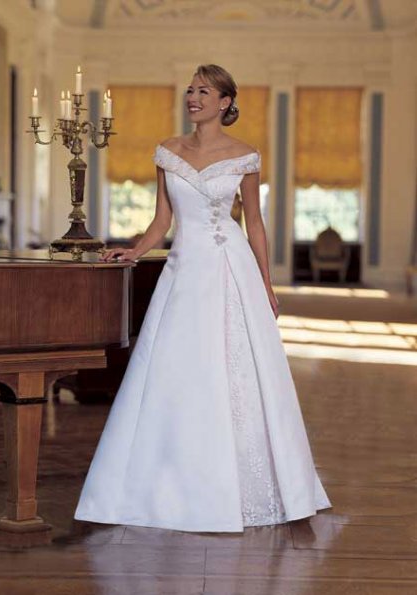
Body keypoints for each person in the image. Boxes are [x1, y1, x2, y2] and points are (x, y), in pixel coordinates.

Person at [75, 64, 331, 532]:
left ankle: (242, 481)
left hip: (230, 267)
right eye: (191, 90)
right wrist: (134, 251)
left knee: (233, 368)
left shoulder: (244, 156)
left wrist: (266, 284)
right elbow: (162, 221)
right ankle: (165, 481)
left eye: (204, 91)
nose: (193, 97)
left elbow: (254, 224)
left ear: (225, 102)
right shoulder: (168, 151)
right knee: (174, 366)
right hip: (184, 269)